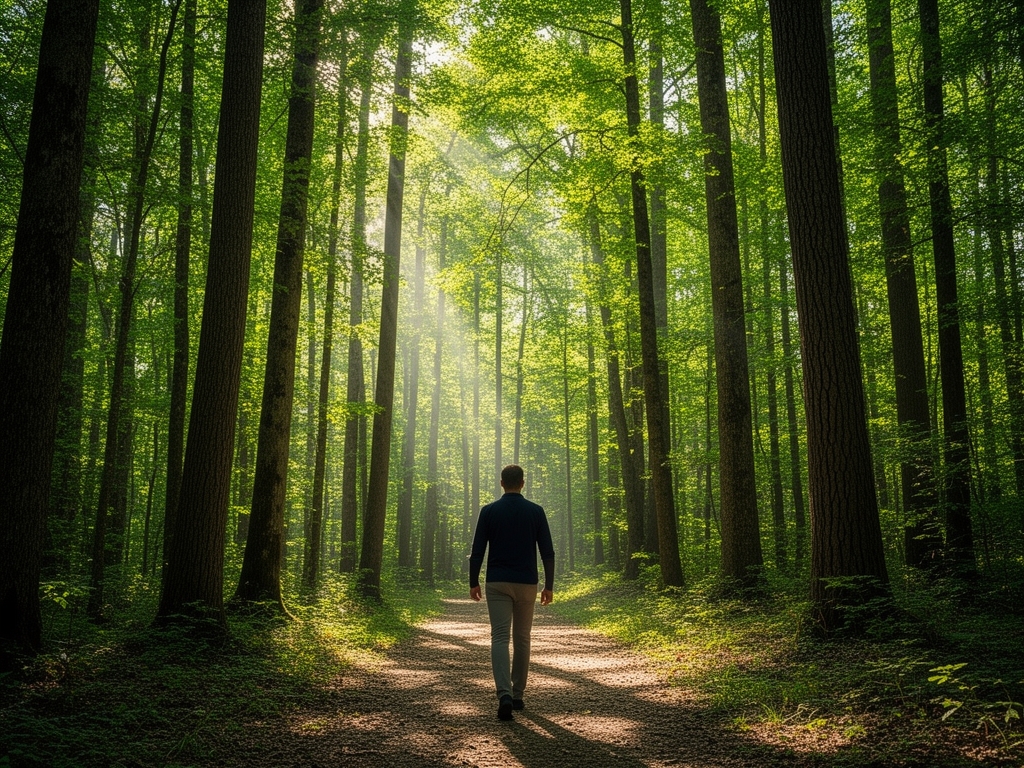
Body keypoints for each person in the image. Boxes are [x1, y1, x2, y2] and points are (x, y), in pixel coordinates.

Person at [469, 464, 555, 721]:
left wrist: (473, 581)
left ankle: (504, 694)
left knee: (499, 637)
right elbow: (547, 552)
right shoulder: (536, 511)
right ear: (522, 483)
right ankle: (518, 695)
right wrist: (549, 585)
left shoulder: (488, 511)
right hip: (527, 582)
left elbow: (477, 550)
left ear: (501, 483)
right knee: (522, 638)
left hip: (497, 582)